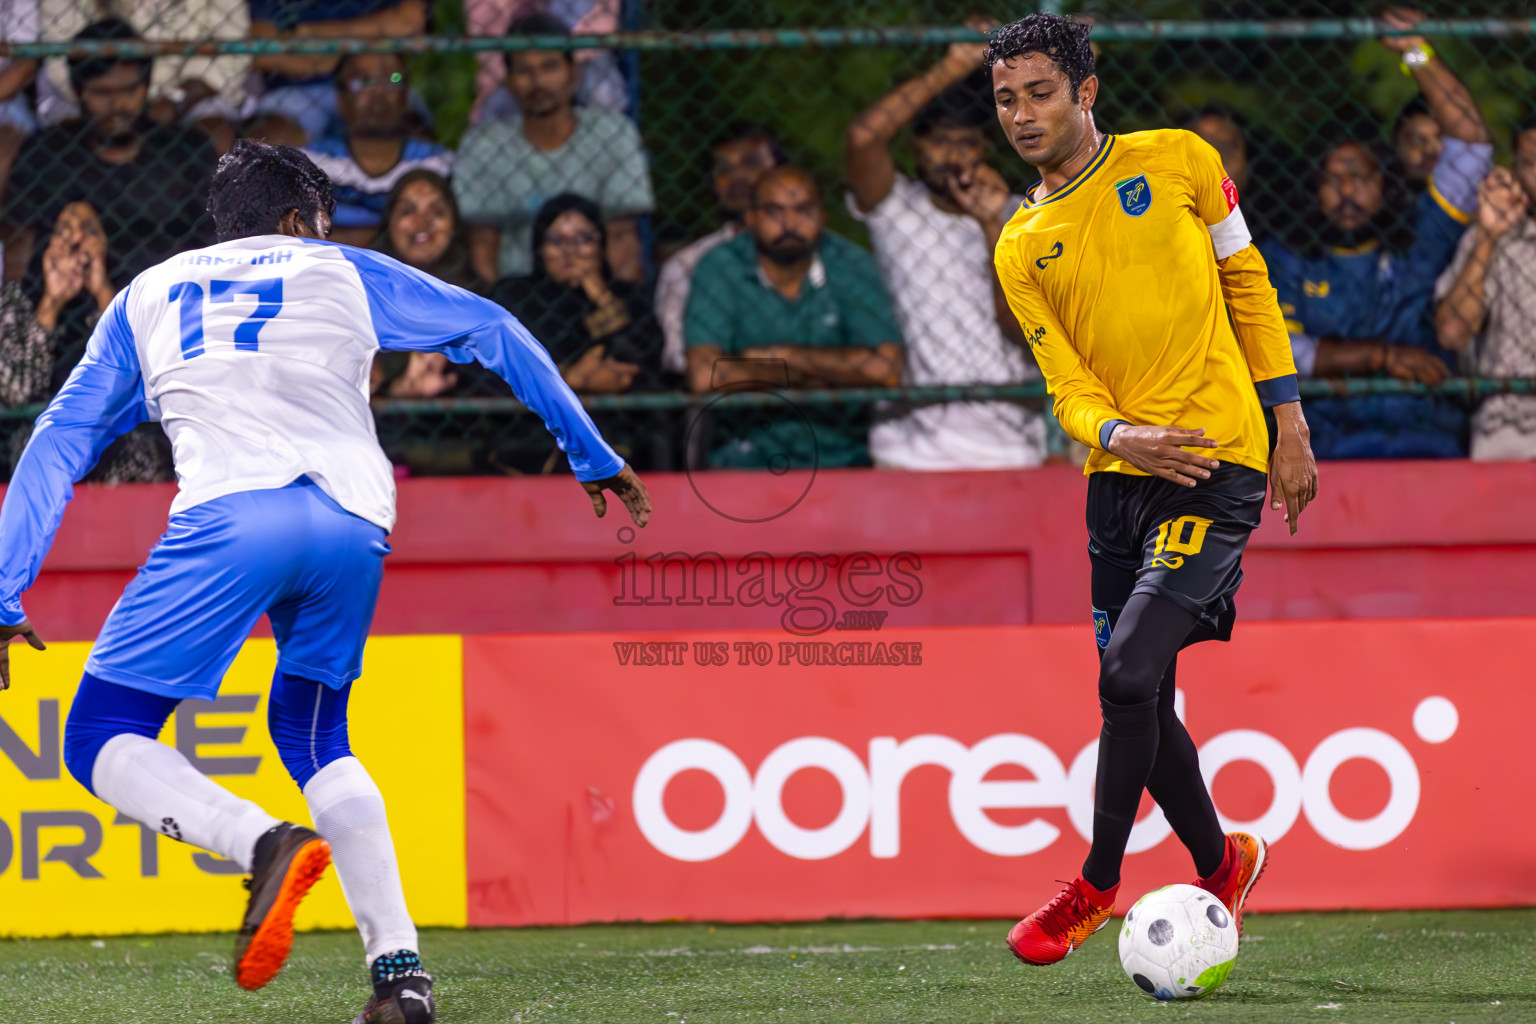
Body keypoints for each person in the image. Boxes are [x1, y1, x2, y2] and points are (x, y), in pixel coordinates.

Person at [0, 141, 650, 1023]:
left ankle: (259, 842)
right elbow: (495, 328)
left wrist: (4, 591)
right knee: (312, 733)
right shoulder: (342, 268)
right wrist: (592, 454)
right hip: (353, 521)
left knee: (101, 732)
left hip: (235, 518)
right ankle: (400, 976)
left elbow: (59, 442)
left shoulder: (146, 296)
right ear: (304, 221)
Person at [986, 14, 1317, 966]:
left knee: (1124, 673)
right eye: (1007, 99)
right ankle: (1224, 861)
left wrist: (1287, 420)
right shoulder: (1021, 245)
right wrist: (1120, 433)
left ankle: (1094, 884)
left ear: (1086, 91)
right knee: (1148, 702)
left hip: (1217, 468)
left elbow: (1247, 282)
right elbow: (1067, 385)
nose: (1023, 114)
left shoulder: (1178, 160)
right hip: (1119, 482)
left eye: (1041, 92)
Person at [1259, 9, 1492, 459]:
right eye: (1333, 179)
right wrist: (1382, 358)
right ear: (1313, 186)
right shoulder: (1285, 255)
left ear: (1385, 183)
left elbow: (1473, 147)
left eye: (1361, 176)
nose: (1347, 191)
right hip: (1328, 446)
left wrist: (1416, 50)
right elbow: (1285, 352)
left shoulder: (1421, 234)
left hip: (1428, 435)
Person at [845, 20, 1047, 471]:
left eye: (966, 143)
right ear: (916, 146)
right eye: (939, 141)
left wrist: (992, 224)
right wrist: (951, 67)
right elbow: (863, 137)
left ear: (987, 150)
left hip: (1012, 444)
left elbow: (1024, 330)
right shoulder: (897, 210)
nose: (952, 155)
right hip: (910, 448)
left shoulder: (1027, 213)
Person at [684, 165, 903, 470]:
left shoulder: (850, 263)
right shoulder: (720, 266)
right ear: (751, 218)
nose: (790, 223)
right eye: (774, 211)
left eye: (803, 210)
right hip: (743, 453)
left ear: (823, 216)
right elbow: (704, 375)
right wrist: (821, 371)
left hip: (840, 453)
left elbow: (886, 368)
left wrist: (782, 359)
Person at [3, 18, 216, 286]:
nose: (118, 105)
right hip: (74, 309)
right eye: (102, 92)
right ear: (78, 92)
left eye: (129, 90)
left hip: (172, 303)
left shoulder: (187, 152)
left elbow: (216, 246)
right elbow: (17, 247)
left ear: (147, 85)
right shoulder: (45, 156)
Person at [454, 13, 653, 283]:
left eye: (549, 67)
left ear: (573, 74)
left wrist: (614, 306)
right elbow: (482, 247)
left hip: (594, 289)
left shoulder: (614, 134)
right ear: (509, 81)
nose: (537, 81)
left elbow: (622, 238)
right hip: (515, 296)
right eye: (524, 70)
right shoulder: (484, 144)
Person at [491, 194, 664, 470]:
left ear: (601, 245)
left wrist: (599, 293)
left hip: (617, 436)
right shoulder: (515, 297)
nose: (570, 251)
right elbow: (494, 372)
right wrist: (576, 378)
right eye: (556, 240)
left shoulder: (628, 298)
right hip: (532, 438)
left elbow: (644, 362)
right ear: (539, 248)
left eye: (584, 239)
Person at [1434, 121, 1536, 459]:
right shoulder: (1498, 237)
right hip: (1511, 427)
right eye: (1529, 161)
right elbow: (1452, 332)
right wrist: (1488, 237)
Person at [654, 122, 786, 376]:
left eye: (751, 163)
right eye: (724, 169)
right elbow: (675, 356)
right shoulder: (687, 264)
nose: (737, 177)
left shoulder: (824, 255)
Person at [303, 53, 453, 247]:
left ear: (406, 97)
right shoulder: (310, 162)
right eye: (364, 81)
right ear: (341, 99)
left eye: (394, 80)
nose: (379, 93)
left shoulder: (439, 165)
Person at [247, 0, 427, 145]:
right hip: (298, 89)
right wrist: (374, 32)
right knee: (266, 143)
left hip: (377, 77)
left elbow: (408, 24)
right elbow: (256, 45)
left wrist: (304, 34)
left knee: (415, 136)